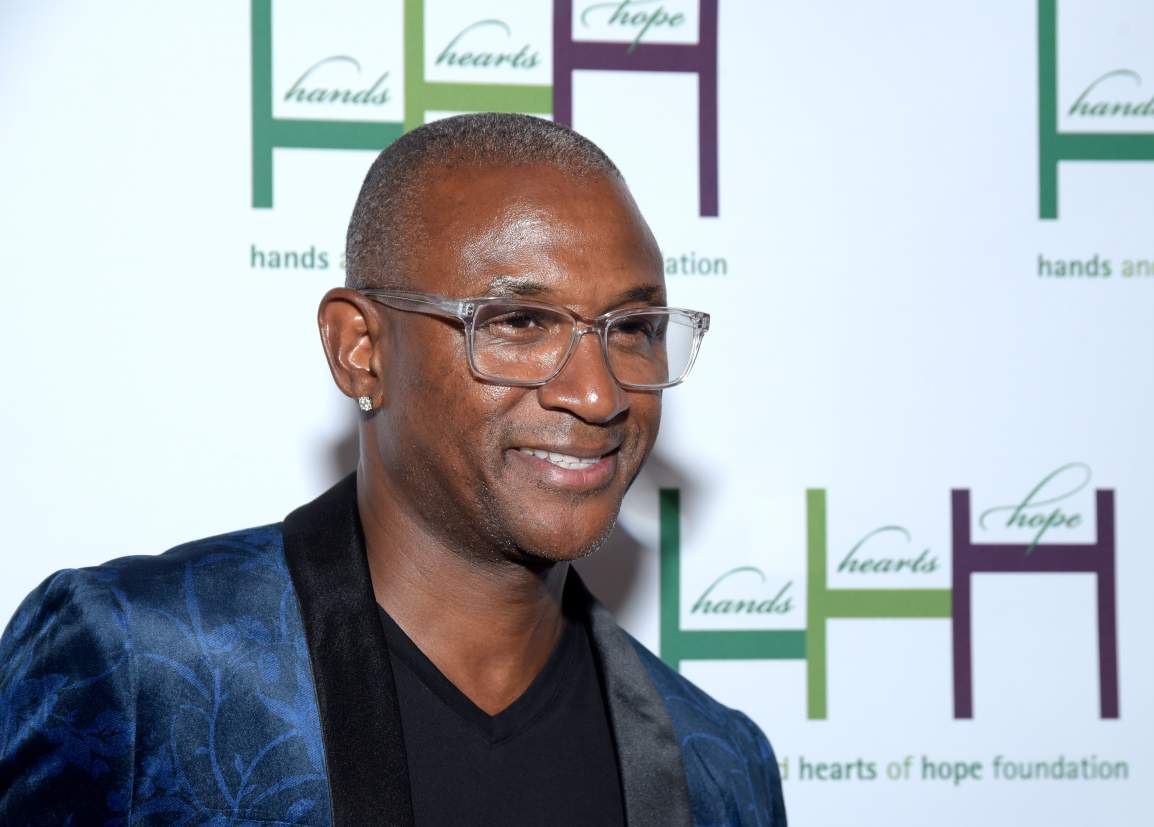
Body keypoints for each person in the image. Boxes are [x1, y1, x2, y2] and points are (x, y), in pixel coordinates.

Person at [0, 113, 785, 825]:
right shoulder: (139, 666)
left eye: (634, 328)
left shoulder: (722, 767)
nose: (597, 393)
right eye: (519, 322)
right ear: (361, 350)